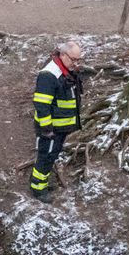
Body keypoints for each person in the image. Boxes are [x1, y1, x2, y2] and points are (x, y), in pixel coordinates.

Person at [30, 41, 83, 202]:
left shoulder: (65, 71)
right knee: (46, 156)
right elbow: (41, 104)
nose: (76, 63)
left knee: (52, 155)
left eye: (78, 60)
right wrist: (47, 129)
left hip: (60, 127)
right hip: (51, 128)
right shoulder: (49, 75)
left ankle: (42, 182)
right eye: (73, 59)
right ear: (63, 55)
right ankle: (38, 188)